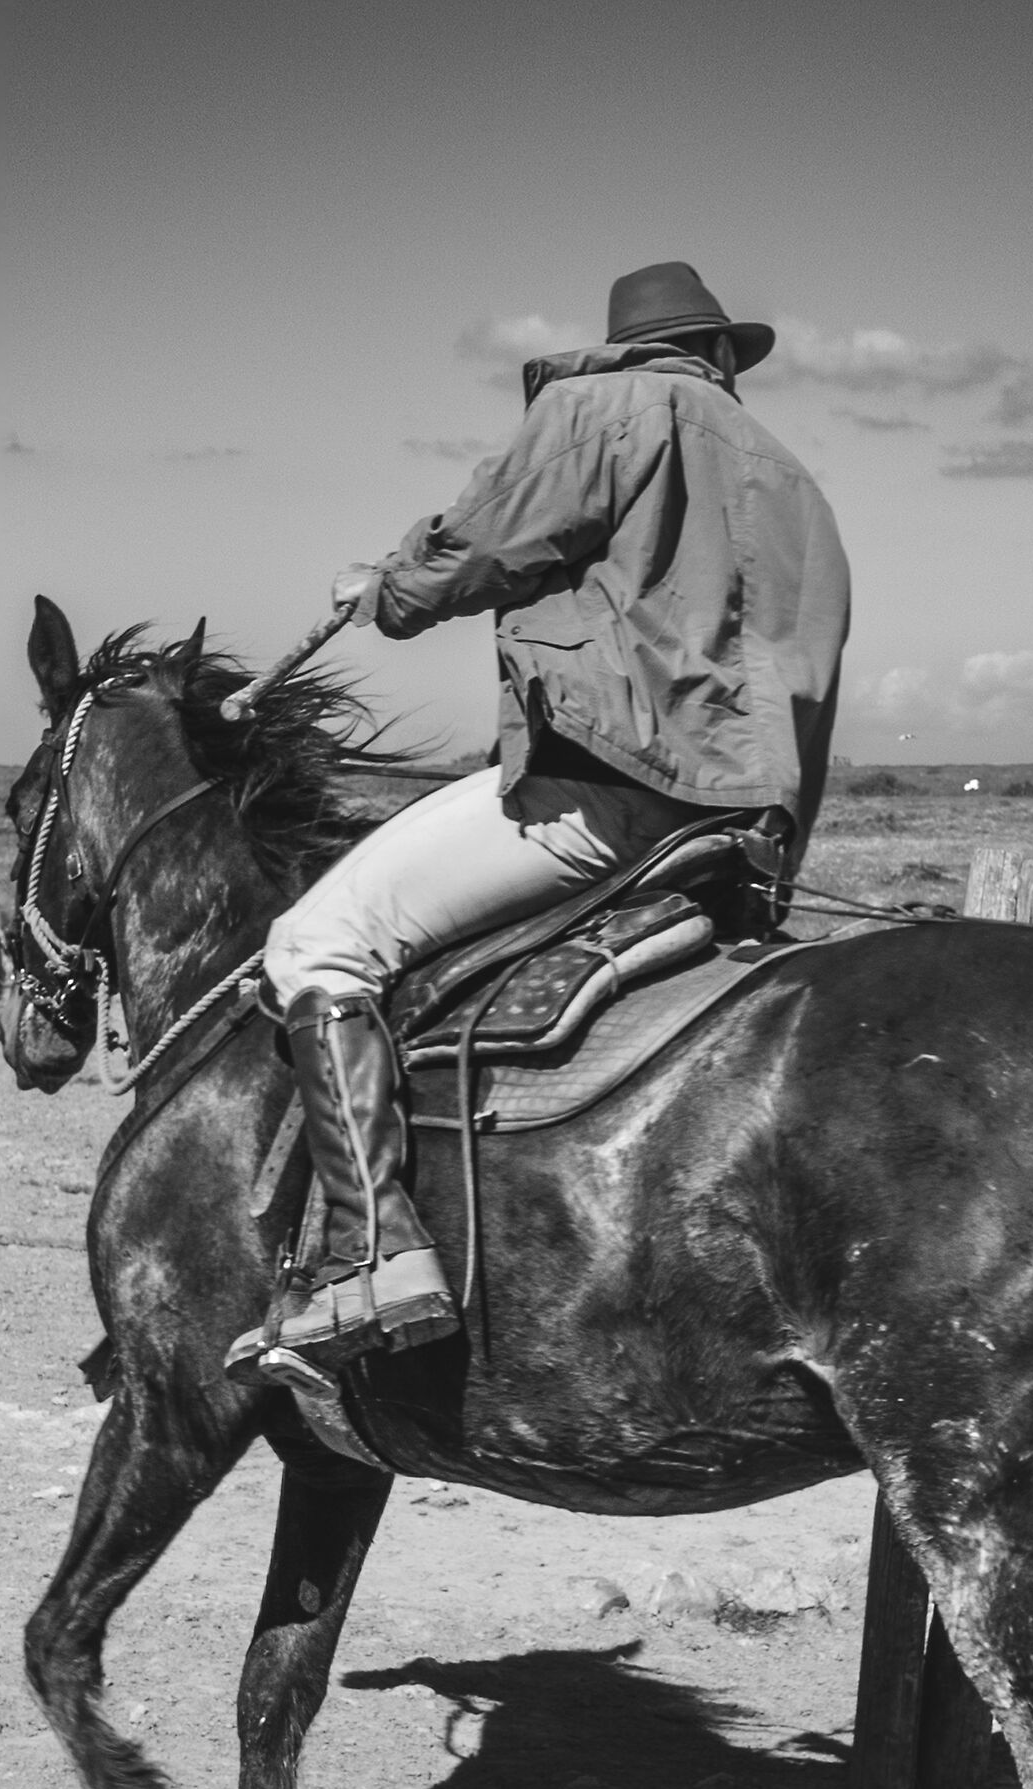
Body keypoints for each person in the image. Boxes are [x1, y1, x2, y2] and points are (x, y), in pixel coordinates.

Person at [229, 262, 851, 1387]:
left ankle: (378, 1254)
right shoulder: (791, 477)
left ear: (632, 348)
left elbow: (481, 544)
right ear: (717, 354)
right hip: (746, 824)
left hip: (612, 790)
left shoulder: (596, 409)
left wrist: (385, 586)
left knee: (316, 944)